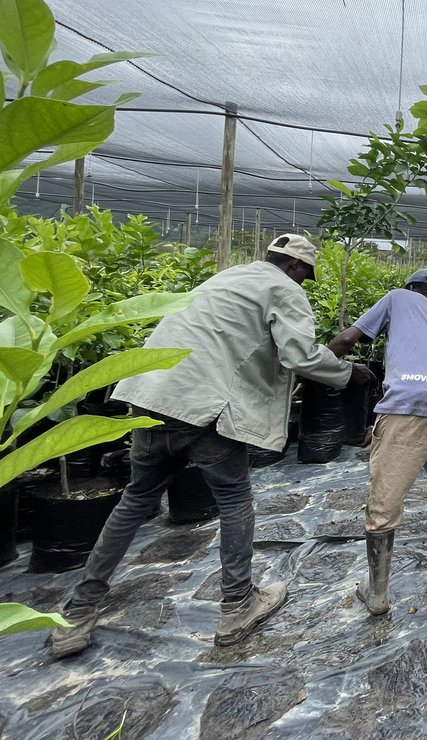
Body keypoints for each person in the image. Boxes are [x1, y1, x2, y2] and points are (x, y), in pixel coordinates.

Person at [49, 234, 374, 659]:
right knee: (235, 500)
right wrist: (351, 374)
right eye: (306, 275)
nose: (305, 283)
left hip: (154, 395)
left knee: (134, 500)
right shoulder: (284, 288)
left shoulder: (225, 279)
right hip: (205, 408)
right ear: (295, 267)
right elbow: (299, 356)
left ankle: (77, 612)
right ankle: (238, 605)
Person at [328, 268, 427, 615]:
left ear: (411, 288)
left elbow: (348, 339)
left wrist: (320, 363)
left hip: (407, 407)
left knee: (384, 502)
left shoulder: (397, 298)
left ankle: (377, 594)